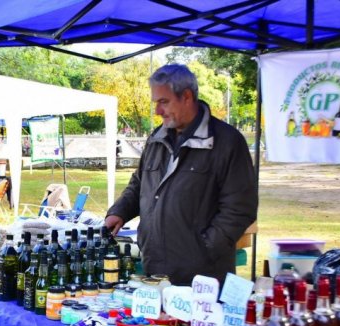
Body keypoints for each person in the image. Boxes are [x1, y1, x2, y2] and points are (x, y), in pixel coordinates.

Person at [104, 64, 258, 286]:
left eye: (163, 102)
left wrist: (203, 248)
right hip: (154, 269)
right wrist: (119, 212)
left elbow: (240, 209)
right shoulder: (156, 138)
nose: (157, 111)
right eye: (156, 103)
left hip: (203, 277)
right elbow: (139, 184)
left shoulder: (227, 142)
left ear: (186, 97)